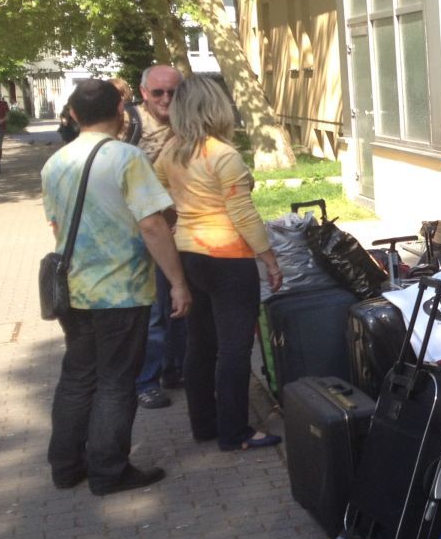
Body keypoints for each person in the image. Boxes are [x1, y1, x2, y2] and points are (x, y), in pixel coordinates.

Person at [41, 79, 191, 495]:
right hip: (121, 290)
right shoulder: (127, 157)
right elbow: (152, 224)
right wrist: (178, 283)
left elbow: (55, 225)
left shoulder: (55, 163)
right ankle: (109, 470)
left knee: (77, 377)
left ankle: (65, 466)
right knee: (115, 381)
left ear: (73, 115)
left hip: (73, 289)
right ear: (121, 111)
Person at [154, 74, 284, 452]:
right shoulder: (223, 155)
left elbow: (158, 194)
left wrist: (181, 214)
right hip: (228, 258)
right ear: (216, 107)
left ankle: (204, 425)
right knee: (234, 348)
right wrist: (270, 260)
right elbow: (243, 214)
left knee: (200, 344)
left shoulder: (171, 151)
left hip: (188, 255)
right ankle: (235, 432)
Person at [133, 65, 187, 409]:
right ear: (144, 93)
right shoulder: (128, 126)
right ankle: (146, 381)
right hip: (145, 233)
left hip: (184, 231)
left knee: (181, 306)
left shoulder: (190, 121)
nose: (166, 99)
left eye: (173, 92)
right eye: (158, 92)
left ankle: (175, 369)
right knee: (153, 312)